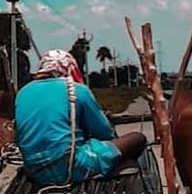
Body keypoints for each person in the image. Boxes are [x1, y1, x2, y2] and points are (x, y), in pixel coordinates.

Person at [14, 49, 147, 186]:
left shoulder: (23, 92)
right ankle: (110, 171)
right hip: (71, 167)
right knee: (137, 139)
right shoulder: (77, 90)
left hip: (35, 171)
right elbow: (104, 133)